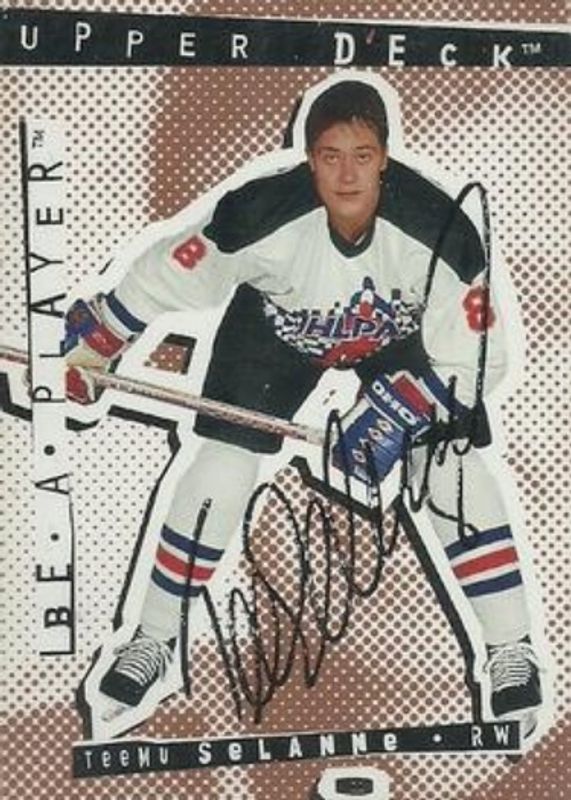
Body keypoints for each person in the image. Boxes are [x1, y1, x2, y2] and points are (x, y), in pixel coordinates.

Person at [65, 74, 543, 732]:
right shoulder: (260, 213)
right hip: (276, 333)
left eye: (362, 156)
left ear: (385, 157)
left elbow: (482, 357)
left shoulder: (438, 229)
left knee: (449, 465)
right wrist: (99, 340)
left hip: (396, 340)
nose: (346, 175)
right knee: (221, 466)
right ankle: (154, 636)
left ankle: (510, 649)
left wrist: (400, 411)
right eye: (329, 156)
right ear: (308, 157)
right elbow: (170, 273)